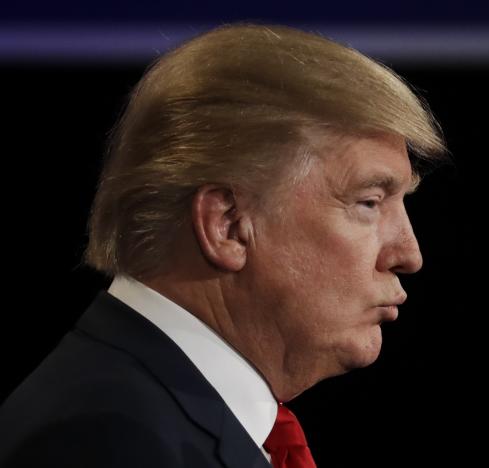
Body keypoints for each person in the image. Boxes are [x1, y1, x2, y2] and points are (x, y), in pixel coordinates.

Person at [0, 22, 445, 467]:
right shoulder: (106, 442)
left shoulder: (159, 413)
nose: (409, 254)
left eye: (400, 203)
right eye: (368, 202)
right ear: (228, 226)